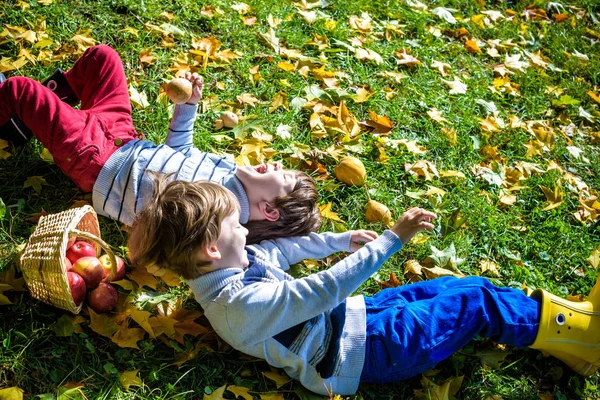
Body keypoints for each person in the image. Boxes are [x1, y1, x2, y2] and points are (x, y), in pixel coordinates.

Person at [127, 177, 600, 396]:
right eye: (237, 226)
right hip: (372, 353)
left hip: (362, 318)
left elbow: (284, 252)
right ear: (212, 248)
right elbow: (320, 291)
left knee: (463, 285)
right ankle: (581, 334)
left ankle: (566, 333)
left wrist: (338, 239)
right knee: (472, 302)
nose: (248, 231)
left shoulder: (224, 268)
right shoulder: (239, 306)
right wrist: (391, 240)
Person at [0, 45, 320, 243]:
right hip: (125, 137)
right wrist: (190, 106)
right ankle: (22, 123)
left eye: (285, 176)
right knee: (103, 57)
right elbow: (180, 151)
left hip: (97, 162)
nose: (278, 164)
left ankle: (16, 110)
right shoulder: (230, 170)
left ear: (268, 209)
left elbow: (166, 233)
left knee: (21, 90)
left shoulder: (219, 217)